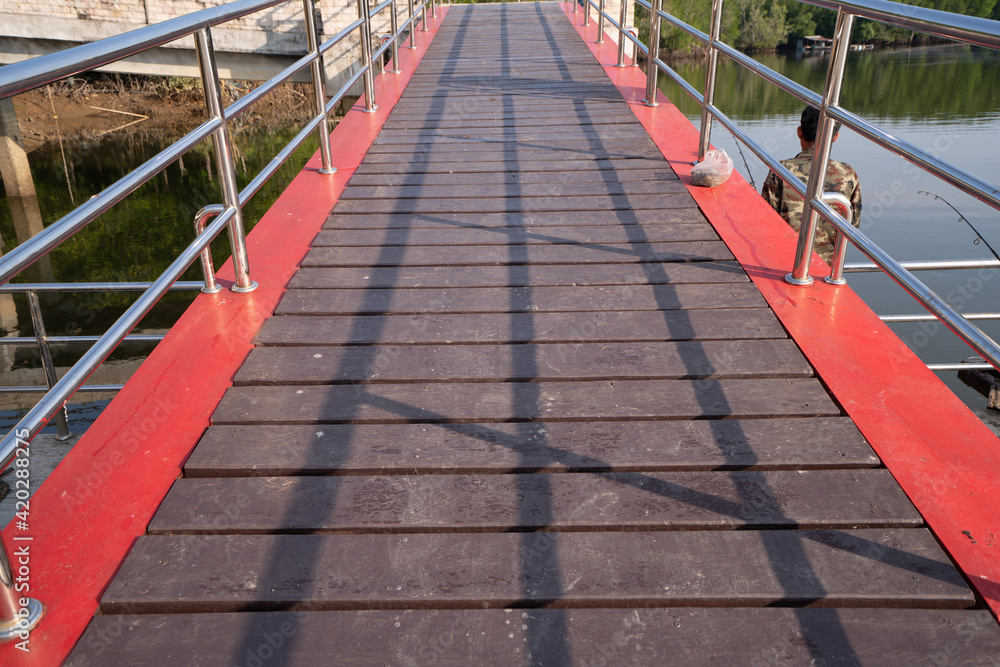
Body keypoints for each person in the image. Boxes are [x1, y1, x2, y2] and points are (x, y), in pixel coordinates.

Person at [761, 106, 862, 263]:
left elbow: (766, 222)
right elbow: (853, 225)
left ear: (799, 132)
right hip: (829, 268)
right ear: (835, 137)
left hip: (787, 261)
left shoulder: (781, 170)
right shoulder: (848, 173)